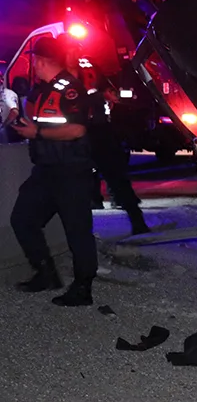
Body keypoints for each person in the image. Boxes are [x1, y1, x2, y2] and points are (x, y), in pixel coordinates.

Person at [9, 36, 98, 307]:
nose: (31, 64)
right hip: (46, 172)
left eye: (33, 59)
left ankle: (83, 288)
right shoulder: (44, 90)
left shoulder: (70, 89)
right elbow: (42, 122)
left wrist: (36, 131)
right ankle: (45, 273)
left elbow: (78, 129)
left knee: (77, 230)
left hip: (72, 172)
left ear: (40, 60)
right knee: (22, 219)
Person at [56, 34, 151, 234]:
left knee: (117, 175)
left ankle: (137, 221)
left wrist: (112, 95)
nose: (74, 54)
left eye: (75, 49)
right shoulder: (57, 77)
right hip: (72, 134)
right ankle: (81, 228)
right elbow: (71, 103)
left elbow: (106, 88)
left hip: (99, 130)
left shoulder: (89, 68)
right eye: (69, 49)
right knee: (76, 181)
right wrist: (100, 96)